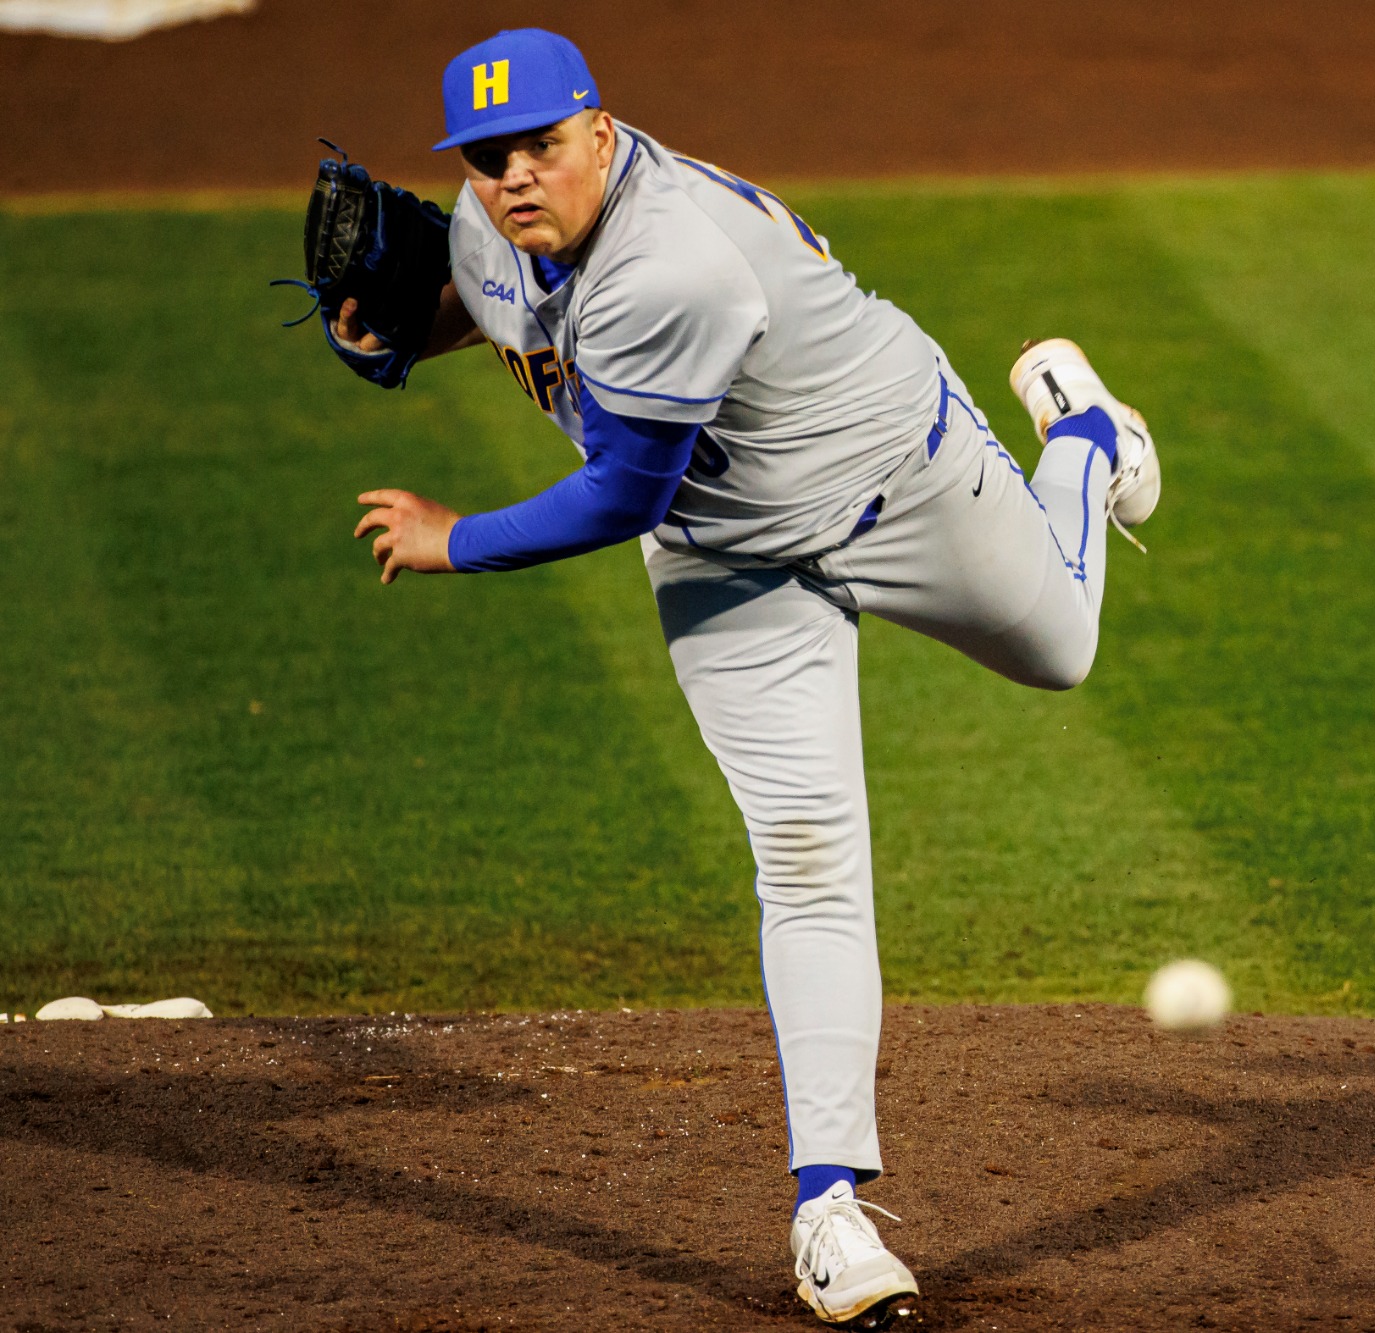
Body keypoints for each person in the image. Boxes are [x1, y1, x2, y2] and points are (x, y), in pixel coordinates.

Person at [336, 28, 1160, 1327]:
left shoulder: (674, 267)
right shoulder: (488, 224)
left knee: (1064, 650)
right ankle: (831, 1210)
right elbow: (489, 301)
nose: (513, 177)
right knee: (808, 852)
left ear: (601, 131)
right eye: (487, 158)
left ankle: (1087, 440)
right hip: (727, 558)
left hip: (899, 483)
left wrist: (458, 539)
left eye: (541, 145)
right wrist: (402, 330)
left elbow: (621, 490)